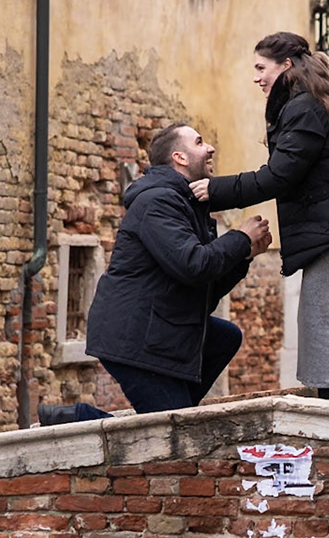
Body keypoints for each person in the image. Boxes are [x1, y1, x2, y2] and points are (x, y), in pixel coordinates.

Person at [190, 33, 329, 400]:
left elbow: (279, 176)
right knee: (318, 320)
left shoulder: (304, 107)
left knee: (321, 321)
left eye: (261, 67)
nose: (256, 77)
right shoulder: (302, 104)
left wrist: (213, 189)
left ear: (285, 66)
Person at [85, 123, 272, 413]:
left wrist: (244, 256)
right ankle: (75, 420)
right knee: (174, 431)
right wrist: (241, 237)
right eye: (199, 142)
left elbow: (203, 289)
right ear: (179, 158)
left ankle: (173, 412)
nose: (209, 148)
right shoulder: (157, 202)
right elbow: (194, 265)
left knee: (224, 338)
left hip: (160, 329)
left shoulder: (187, 205)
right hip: (134, 337)